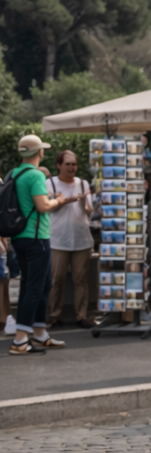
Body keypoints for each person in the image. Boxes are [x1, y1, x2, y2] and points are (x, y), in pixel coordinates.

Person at [7, 135, 73, 355]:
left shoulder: (14, 173)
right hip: (37, 237)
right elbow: (43, 206)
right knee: (34, 288)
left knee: (42, 284)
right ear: (40, 152)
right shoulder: (35, 175)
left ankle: (39, 333)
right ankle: (20, 340)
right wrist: (59, 201)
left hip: (19, 236)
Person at [45, 149, 93, 329]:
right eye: (68, 164)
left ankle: (82, 315)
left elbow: (89, 210)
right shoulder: (50, 183)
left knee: (81, 280)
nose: (72, 168)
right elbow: (48, 208)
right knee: (56, 279)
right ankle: (54, 315)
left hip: (82, 238)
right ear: (59, 165)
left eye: (74, 164)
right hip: (58, 239)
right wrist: (63, 201)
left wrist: (84, 203)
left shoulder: (83, 183)